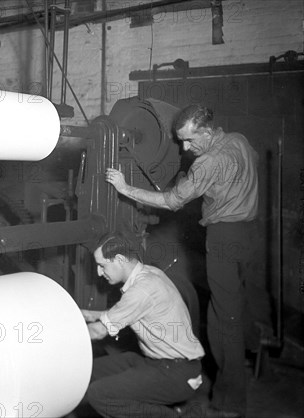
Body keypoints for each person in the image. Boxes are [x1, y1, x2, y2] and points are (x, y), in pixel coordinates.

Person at [105, 104, 258, 417]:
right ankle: (251, 361)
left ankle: (231, 401)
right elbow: (240, 171)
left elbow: (171, 201)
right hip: (248, 234)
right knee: (236, 308)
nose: (185, 148)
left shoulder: (208, 161)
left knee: (222, 321)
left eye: (189, 140)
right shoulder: (240, 141)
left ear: (205, 131)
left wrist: (124, 187)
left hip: (224, 238)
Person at [82, 232, 205, 418]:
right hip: (160, 363)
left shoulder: (142, 289)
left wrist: (61, 338)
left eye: (102, 266)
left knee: (99, 395)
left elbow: (99, 331)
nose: (99, 273)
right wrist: (84, 315)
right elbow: (122, 312)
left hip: (177, 373)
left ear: (120, 259)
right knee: (87, 370)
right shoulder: (148, 274)